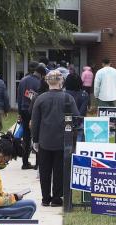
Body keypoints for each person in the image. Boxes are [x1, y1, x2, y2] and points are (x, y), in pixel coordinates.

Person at [31, 70, 79, 207]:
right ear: (61, 81)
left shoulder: (40, 98)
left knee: (44, 170)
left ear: (47, 82)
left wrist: (35, 140)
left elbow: (35, 122)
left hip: (44, 139)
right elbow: (76, 118)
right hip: (62, 139)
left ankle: (45, 198)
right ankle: (57, 198)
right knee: (59, 170)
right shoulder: (68, 98)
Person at [17, 62, 47, 169]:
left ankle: (25, 162)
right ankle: (38, 164)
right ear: (42, 74)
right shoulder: (40, 82)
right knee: (37, 136)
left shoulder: (23, 80)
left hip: (24, 110)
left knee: (26, 137)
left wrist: (19, 112)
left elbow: (19, 98)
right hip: (35, 111)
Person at [64, 73, 89, 142]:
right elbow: (82, 111)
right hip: (78, 123)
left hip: (65, 122)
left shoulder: (64, 94)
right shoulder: (84, 94)